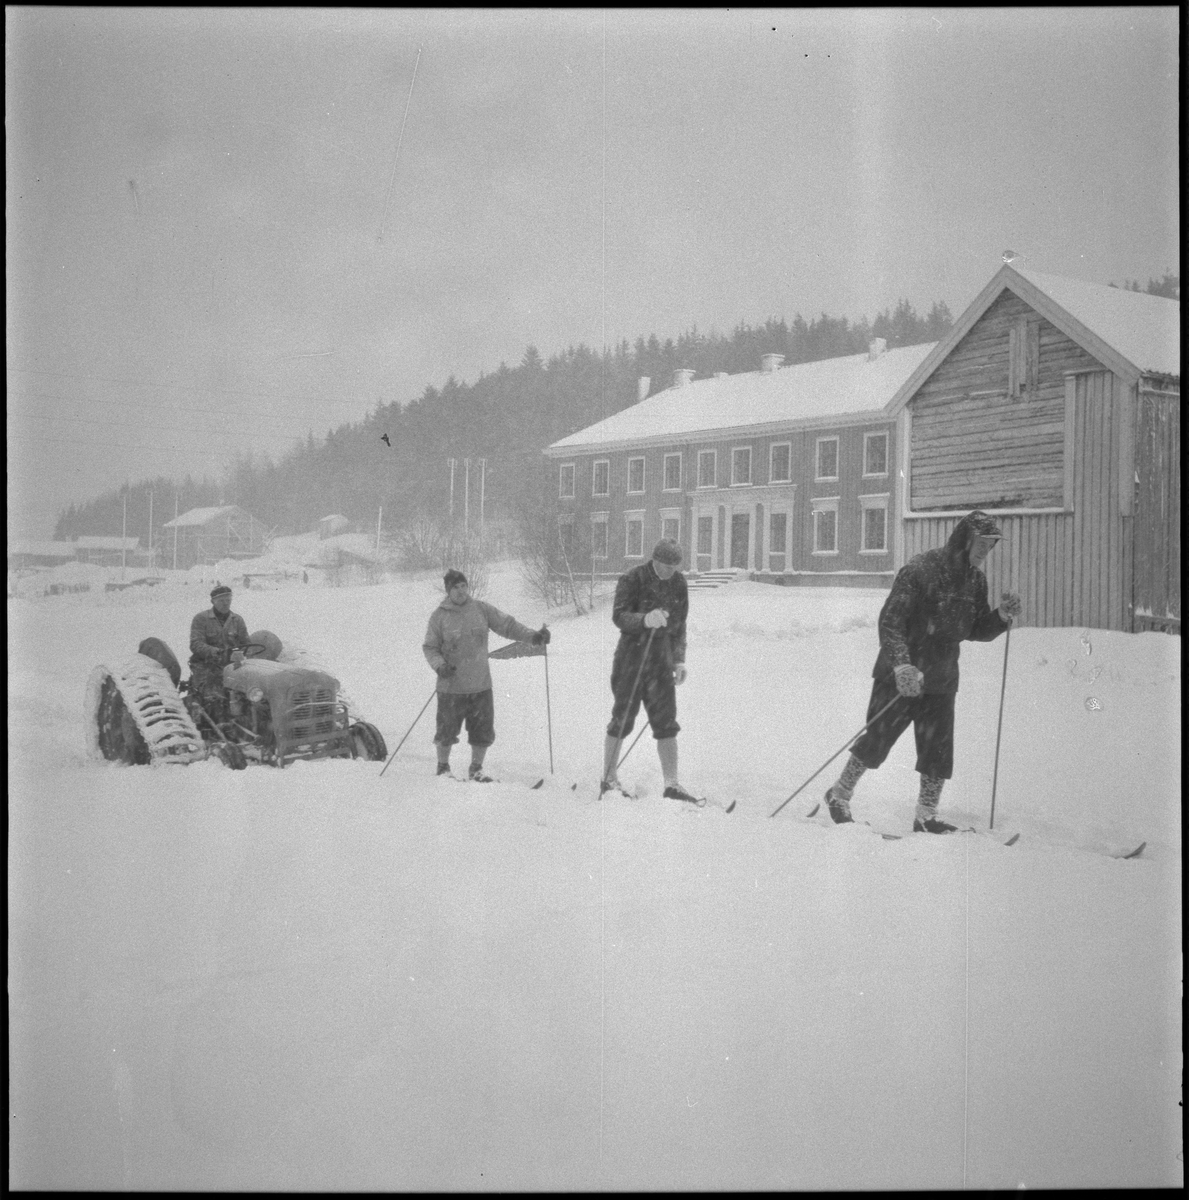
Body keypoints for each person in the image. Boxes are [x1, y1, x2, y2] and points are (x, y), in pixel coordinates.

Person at [823, 510, 1022, 833]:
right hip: (899, 677)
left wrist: (1001, 616)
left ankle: (926, 816)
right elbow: (891, 621)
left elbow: (975, 629)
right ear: (964, 540)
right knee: (877, 741)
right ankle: (839, 794)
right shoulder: (920, 570)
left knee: (938, 752)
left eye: (990, 546)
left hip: (941, 680)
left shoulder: (975, 581)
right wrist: (902, 665)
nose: (985, 553)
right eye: (981, 545)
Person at [422, 569, 550, 781]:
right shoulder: (439, 617)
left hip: (480, 684)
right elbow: (430, 648)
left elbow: (507, 625)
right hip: (451, 686)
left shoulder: (480, 609)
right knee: (446, 731)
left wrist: (534, 637)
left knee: (482, 732)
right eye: (456, 587)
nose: (461, 591)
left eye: (464, 586)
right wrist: (440, 666)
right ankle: (443, 768)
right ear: (448, 590)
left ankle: (477, 770)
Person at [601, 537, 700, 803]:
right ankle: (608, 779)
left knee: (666, 723)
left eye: (675, 566)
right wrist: (644, 619)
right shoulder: (632, 578)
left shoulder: (679, 583)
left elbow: (680, 626)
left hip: (661, 659)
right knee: (622, 718)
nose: (670, 571)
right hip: (631, 656)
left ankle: (672, 784)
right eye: (666, 565)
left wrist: (679, 660)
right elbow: (618, 615)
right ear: (655, 559)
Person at [188, 584, 250, 718]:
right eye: (221, 600)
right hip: (206, 665)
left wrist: (240, 652)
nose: (225, 603)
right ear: (213, 601)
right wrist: (216, 652)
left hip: (231, 665)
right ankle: (216, 722)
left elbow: (246, 643)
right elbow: (195, 644)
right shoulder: (201, 619)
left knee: (249, 690)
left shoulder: (237, 620)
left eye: (228, 600)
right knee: (214, 697)